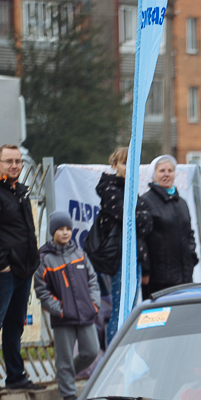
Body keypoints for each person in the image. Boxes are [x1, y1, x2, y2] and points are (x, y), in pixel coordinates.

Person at [0, 144, 45, 394]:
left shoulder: (19, 191)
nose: (14, 165)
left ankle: (15, 376)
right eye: (9, 161)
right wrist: (2, 264)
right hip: (0, 271)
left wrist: (32, 260)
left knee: (15, 324)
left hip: (23, 270)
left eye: (18, 162)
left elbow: (27, 229)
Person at [35, 211, 101, 400]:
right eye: (60, 229)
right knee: (63, 358)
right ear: (53, 231)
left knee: (91, 351)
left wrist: (94, 303)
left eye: (68, 229)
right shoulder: (44, 258)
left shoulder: (80, 254)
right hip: (63, 318)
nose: (65, 233)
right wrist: (60, 310)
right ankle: (69, 397)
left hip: (85, 314)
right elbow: (42, 291)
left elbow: (93, 280)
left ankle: (66, 376)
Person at [135, 155, 198, 298]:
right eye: (162, 170)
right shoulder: (146, 202)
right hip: (158, 279)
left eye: (170, 170)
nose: (166, 174)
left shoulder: (181, 202)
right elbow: (141, 239)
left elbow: (189, 234)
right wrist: (145, 271)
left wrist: (191, 259)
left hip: (184, 278)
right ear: (154, 175)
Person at [92, 146, 129, 344]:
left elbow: (146, 221)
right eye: (124, 163)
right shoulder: (110, 189)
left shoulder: (130, 189)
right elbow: (130, 218)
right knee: (120, 309)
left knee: (129, 308)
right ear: (114, 165)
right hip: (118, 256)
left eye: (132, 163)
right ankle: (114, 356)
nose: (128, 168)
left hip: (132, 255)